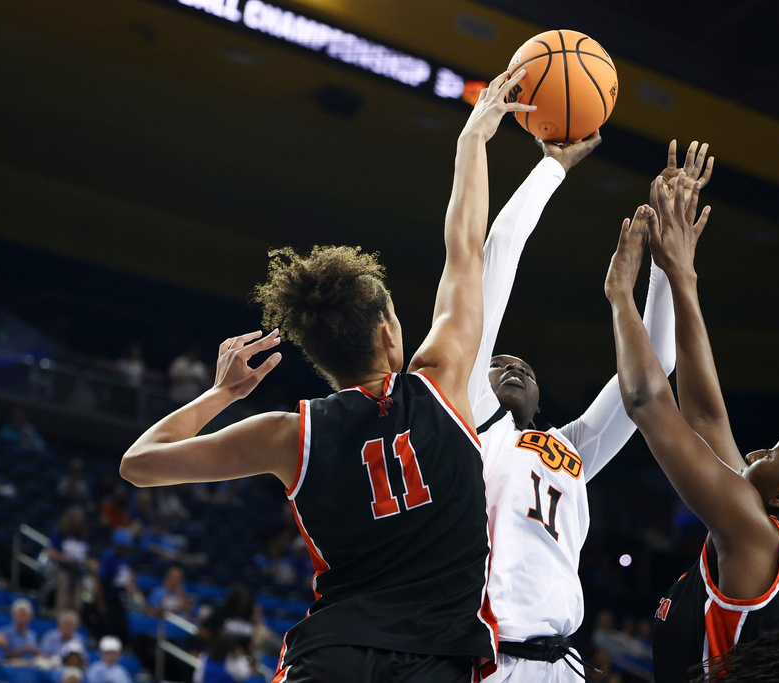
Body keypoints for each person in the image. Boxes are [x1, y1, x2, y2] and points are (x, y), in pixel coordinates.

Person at [119, 70, 536, 682]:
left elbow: (139, 462)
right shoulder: (442, 381)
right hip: (437, 660)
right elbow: (466, 248)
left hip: (333, 656)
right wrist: (473, 139)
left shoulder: (290, 433)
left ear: (320, 355)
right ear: (390, 334)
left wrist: (222, 393)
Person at [603, 165, 779, 682]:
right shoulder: (775, 544)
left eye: (775, 451)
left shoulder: (756, 536)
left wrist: (621, 297)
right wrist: (678, 274)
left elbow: (647, 403)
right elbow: (707, 419)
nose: (756, 452)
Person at [468, 138, 712, 682]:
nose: (514, 366)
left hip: (564, 663)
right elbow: (499, 254)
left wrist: (665, 262)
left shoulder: (570, 447)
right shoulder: (471, 422)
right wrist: (552, 167)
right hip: (485, 659)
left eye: (525, 366)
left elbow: (657, 361)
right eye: (497, 359)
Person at [0, 598, 41, 663]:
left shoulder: (32, 635)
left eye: (24, 614)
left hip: (29, 667)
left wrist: (36, 651)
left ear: (29, 617)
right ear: (13, 615)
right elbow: (2, 656)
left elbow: (38, 655)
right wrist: (22, 650)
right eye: (20, 614)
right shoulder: (5, 633)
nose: (22, 617)